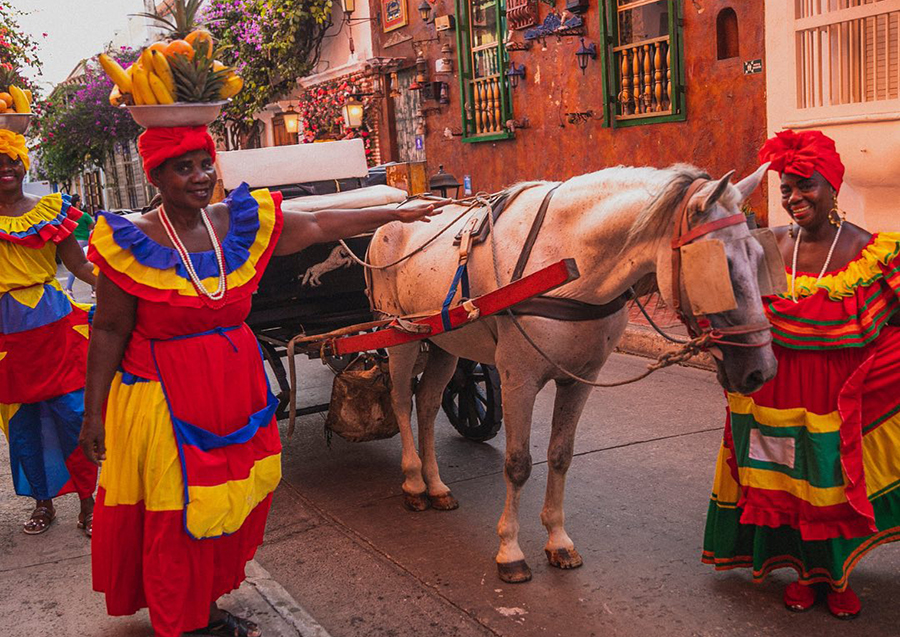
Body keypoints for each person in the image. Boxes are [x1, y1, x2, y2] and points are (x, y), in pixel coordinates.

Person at [78, 125, 442, 637]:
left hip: (234, 388)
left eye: (206, 164)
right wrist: (93, 413)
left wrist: (395, 213)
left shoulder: (236, 222)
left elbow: (317, 221)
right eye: (184, 167)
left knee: (230, 501)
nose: (201, 177)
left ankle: (203, 608)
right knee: (178, 514)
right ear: (154, 174)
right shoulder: (128, 240)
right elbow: (110, 327)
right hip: (163, 399)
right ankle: (188, 623)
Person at [702, 130, 900, 619]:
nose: (793, 198)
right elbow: (725, 302)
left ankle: (834, 577)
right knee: (779, 480)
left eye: (804, 185)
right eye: (786, 189)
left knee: (826, 482)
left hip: (833, 396)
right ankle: (795, 571)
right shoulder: (766, 245)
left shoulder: (871, 251)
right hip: (774, 387)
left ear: (833, 185)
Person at [0, 128, 98, 536]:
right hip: (5, 334)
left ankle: (90, 503)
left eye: (11, 161)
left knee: (74, 417)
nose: (5, 169)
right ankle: (43, 503)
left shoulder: (50, 210)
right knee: (21, 424)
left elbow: (80, 267)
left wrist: (128, 285)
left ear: (24, 164)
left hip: (54, 324)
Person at [64, 194, 95, 297]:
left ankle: (69, 288)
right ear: (77, 203)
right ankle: (94, 289)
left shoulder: (68, 215)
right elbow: (92, 226)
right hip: (84, 242)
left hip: (73, 242)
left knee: (75, 266)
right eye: (80, 201)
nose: (81, 203)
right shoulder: (84, 215)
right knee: (88, 264)